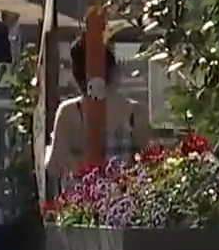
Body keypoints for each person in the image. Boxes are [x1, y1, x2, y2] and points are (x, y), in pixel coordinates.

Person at [44, 36, 148, 183]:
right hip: (124, 200)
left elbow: (54, 165)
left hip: (81, 202)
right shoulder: (136, 113)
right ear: (113, 71)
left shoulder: (70, 112)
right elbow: (149, 163)